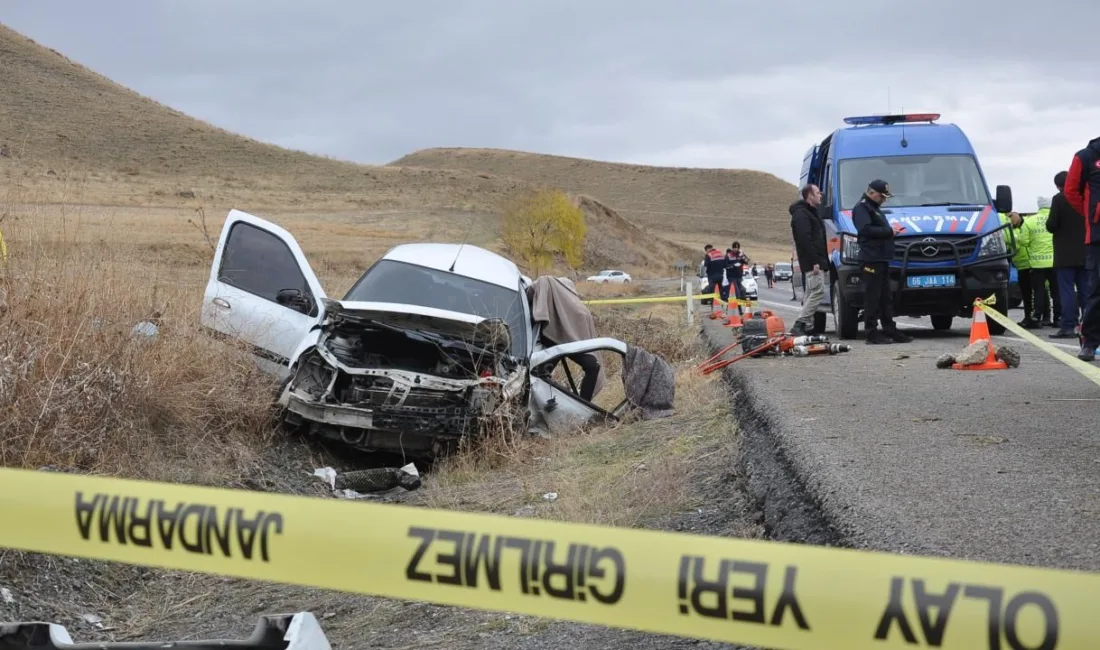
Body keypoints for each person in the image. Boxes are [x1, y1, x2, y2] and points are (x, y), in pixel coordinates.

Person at [851, 179, 912, 344]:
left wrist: (891, 231)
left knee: (885, 296)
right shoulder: (862, 208)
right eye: (881, 196)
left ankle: (890, 329)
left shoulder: (874, 208)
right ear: (871, 192)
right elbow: (865, 229)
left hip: (881, 258)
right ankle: (871, 332)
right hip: (870, 259)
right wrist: (889, 231)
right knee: (873, 297)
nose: (884, 199)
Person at [1065, 136, 1100, 361]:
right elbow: (1071, 192)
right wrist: (1092, 215)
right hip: (1098, 236)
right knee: (1096, 291)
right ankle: (1089, 342)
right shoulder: (1086, 156)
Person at [1045, 171, 1089, 338]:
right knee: (1086, 291)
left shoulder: (1059, 199)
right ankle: (1088, 325)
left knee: (1067, 291)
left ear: (1057, 185)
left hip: (1065, 255)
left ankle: (1069, 326)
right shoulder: (1085, 196)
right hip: (1085, 252)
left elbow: (1052, 224)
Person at [789, 183, 829, 336]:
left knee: (811, 292)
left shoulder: (811, 212)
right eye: (818, 193)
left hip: (816, 260)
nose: (821, 195)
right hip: (812, 262)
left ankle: (807, 327)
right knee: (818, 292)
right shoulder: (802, 215)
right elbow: (805, 240)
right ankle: (801, 323)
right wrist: (815, 261)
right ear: (810, 196)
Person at [1018, 198, 1056, 327]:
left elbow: (1024, 242)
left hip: (1037, 263)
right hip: (1055, 262)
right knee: (1057, 291)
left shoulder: (1029, 221)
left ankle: (1036, 316)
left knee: (1038, 291)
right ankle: (1058, 318)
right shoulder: (1055, 219)